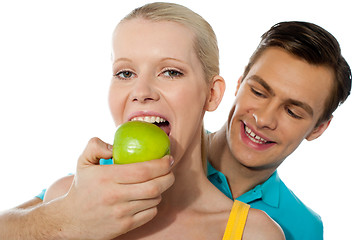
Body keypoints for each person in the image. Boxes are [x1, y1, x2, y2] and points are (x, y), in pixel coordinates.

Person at [1, 2, 284, 240]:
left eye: (171, 72)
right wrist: (65, 221)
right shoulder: (63, 199)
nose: (141, 92)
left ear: (211, 94)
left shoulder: (254, 233)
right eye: (125, 73)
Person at [206, 21, 352, 240]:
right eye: (258, 92)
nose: (264, 119)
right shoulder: (167, 154)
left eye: (292, 112)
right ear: (240, 83)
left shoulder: (304, 230)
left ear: (318, 129)